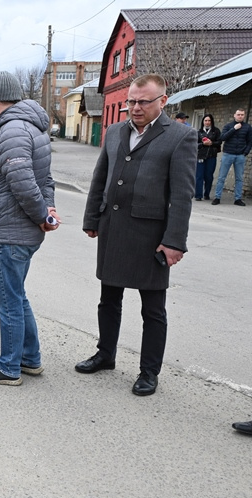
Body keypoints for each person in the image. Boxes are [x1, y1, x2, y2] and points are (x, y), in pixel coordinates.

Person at [77, 74, 196, 396]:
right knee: (108, 300)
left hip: (151, 236)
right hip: (113, 229)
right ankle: (105, 354)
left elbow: (182, 195)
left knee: (153, 310)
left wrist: (174, 241)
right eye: (131, 101)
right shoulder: (115, 132)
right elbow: (100, 178)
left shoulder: (181, 137)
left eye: (143, 101)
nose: (135, 107)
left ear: (163, 101)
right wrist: (92, 218)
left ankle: (148, 372)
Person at [0, 71, 59, 386]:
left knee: (7, 300)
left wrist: (40, 216)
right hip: (18, 229)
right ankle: (29, 358)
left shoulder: (13, 131)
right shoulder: (32, 127)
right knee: (17, 296)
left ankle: (9, 367)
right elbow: (45, 180)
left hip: (10, 231)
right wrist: (48, 211)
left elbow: (23, 183)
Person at [212, 109, 252, 206]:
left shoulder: (247, 127)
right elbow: (222, 138)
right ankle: (217, 197)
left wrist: (245, 152)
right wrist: (234, 129)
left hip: (240, 155)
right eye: (238, 114)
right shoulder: (228, 126)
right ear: (234, 115)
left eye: (242, 115)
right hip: (228, 154)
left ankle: (238, 199)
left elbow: (250, 141)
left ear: (244, 115)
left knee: (239, 178)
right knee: (221, 177)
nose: (240, 116)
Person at [195, 114, 221, 201]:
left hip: (211, 156)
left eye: (209, 121)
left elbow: (219, 142)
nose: (207, 122)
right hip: (200, 156)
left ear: (211, 122)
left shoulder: (216, 131)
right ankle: (198, 195)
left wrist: (212, 143)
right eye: (205, 120)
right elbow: (194, 144)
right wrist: (202, 144)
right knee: (199, 176)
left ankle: (207, 194)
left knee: (209, 176)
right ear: (203, 121)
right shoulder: (199, 132)